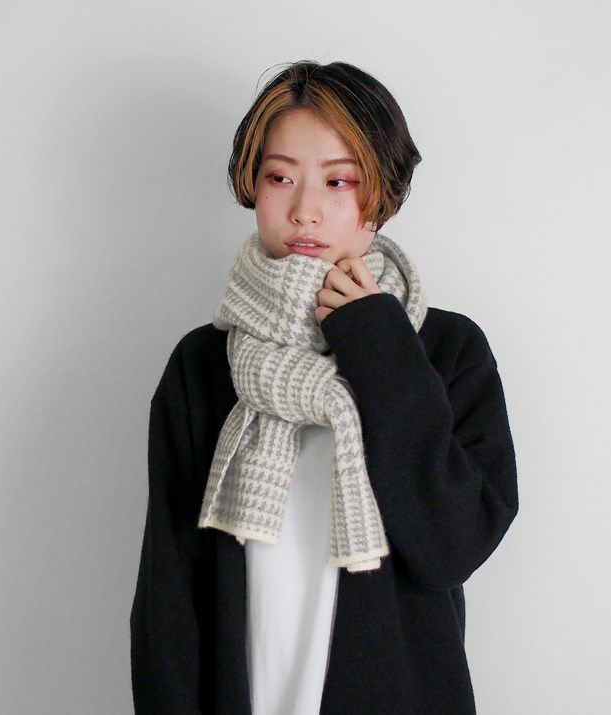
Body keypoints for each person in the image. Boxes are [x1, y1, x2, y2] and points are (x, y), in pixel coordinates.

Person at [130, 60, 519, 715]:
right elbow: (167, 597)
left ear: (382, 196)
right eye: (280, 177)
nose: (304, 210)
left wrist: (377, 344)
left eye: (339, 181)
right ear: (252, 186)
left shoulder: (444, 350)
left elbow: (451, 546)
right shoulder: (203, 365)